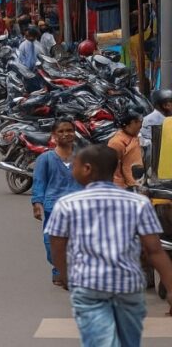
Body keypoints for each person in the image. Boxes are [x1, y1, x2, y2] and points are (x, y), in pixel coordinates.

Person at [45, 144, 172, 344]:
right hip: (127, 286)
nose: (72, 169)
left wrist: (66, 275)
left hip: (88, 285)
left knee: (99, 341)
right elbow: (154, 250)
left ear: (87, 169)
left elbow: (57, 245)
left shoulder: (67, 204)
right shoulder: (138, 203)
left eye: (75, 165)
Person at [30, 118, 82, 285]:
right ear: (54, 135)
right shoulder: (46, 158)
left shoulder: (82, 156)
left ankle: (71, 273)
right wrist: (37, 204)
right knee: (51, 243)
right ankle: (58, 269)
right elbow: (39, 182)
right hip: (53, 208)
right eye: (61, 131)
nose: (66, 134)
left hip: (79, 207)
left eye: (69, 130)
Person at [107, 108, 144, 189]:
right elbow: (114, 170)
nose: (140, 125)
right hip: (123, 187)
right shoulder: (116, 142)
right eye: (137, 122)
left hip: (138, 182)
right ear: (129, 124)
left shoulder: (135, 137)